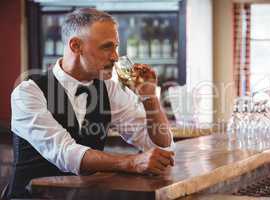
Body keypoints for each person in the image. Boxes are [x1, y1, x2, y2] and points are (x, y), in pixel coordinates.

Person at [6, 8, 175, 199]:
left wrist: (149, 98)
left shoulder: (109, 89)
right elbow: (65, 153)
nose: (115, 57)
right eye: (107, 47)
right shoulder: (28, 92)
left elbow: (160, 145)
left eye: (116, 47)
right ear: (76, 46)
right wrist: (132, 162)